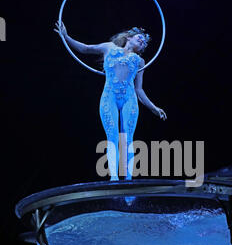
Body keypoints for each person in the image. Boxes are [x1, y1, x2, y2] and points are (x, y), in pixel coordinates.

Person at [54, 22, 167, 180]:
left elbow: (139, 89)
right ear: (129, 37)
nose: (143, 41)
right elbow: (85, 48)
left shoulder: (139, 61)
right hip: (110, 97)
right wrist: (66, 37)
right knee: (112, 136)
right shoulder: (109, 47)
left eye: (145, 42)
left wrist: (154, 108)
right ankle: (114, 178)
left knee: (128, 137)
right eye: (140, 37)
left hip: (129, 99)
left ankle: (128, 179)